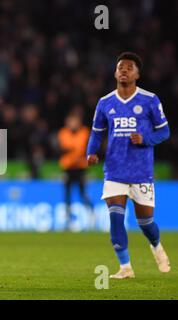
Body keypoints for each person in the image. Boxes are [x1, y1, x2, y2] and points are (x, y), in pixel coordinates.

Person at [87, 52, 171, 279]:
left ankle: (156, 245)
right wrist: (91, 152)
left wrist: (146, 139)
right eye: (120, 67)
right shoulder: (105, 102)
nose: (124, 70)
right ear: (115, 72)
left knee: (146, 223)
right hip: (114, 170)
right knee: (115, 217)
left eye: (129, 67)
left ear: (137, 74)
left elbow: (164, 131)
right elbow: (97, 132)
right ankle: (125, 267)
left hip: (141, 171)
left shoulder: (149, 100)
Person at [58, 112, 93, 229]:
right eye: (70, 121)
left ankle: (91, 218)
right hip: (67, 168)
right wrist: (75, 154)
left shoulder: (84, 132)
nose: (72, 124)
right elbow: (65, 148)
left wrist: (73, 153)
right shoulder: (63, 133)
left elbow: (82, 149)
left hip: (80, 168)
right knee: (67, 195)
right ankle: (68, 221)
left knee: (83, 194)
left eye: (74, 121)